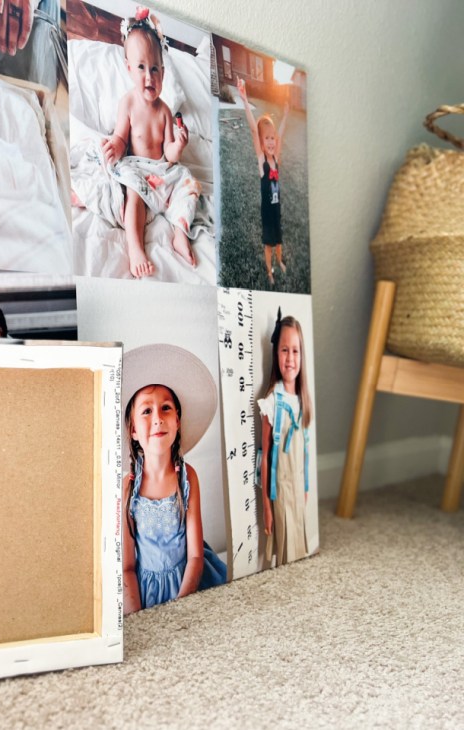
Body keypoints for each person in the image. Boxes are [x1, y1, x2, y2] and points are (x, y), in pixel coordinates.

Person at [71, 9, 201, 278]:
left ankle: (179, 233)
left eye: (155, 68)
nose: (149, 77)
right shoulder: (128, 103)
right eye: (141, 67)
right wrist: (117, 146)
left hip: (161, 171)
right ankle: (135, 247)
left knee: (189, 183)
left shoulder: (165, 111)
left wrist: (178, 146)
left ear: (163, 73)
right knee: (133, 193)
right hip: (137, 169)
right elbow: (120, 136)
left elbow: (169, 155)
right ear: (129, 69)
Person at [121, 344, 227, 614]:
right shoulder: (128, 486)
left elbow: (195, 556)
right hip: (144, 590)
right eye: (146, 411)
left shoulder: (187, 477)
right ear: (133, 430)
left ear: (177, 421)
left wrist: (182, 605)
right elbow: (127, 566)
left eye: (166, 408)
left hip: (187, 582)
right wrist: (137, 614)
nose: (157, 418)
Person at [257, 311, 313, 566]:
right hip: (280, 491)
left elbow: (304, 451)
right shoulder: (271, 403)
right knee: (286, 552)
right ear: (276, 354)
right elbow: (266, 457)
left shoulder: (303, 401)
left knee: (300, 546)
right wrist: (267, 507)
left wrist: (306, 487)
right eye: (284, 351)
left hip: (298, 488)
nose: (290, 358)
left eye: (295, 351)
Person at [237, 78, 290, 285]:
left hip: (276, 211)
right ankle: (270, 271)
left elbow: (282, 134)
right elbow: (253, 129)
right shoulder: (263, 162)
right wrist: (244, 100)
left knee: (279, 242)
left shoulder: (275, 159)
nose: (270, 141)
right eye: (266, 138)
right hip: (267, 215)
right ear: (261, 141)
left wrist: (285, 115)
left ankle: (280, 261)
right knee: (269, 244)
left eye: (272, 138)